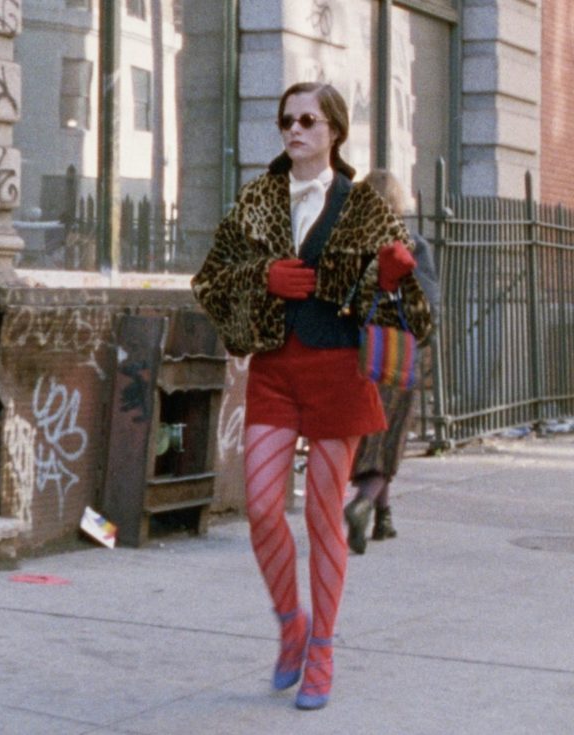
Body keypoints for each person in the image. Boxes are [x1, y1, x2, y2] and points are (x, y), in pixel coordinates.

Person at [191, 82, 432, 710]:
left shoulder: (364, 207)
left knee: (326, 516)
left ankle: (321, 649)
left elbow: (416, 309)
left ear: (334, 131)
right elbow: (209, 281)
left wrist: (387, 278)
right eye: (286, 121)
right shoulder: (258, 199)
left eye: (307, 121)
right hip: (274, 370)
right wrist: (261, 275)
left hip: (336, 372)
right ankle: (290, 623)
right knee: (264, 505)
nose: (294, 131)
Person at [344, 169, 441, 555]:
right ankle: (364, 503)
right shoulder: (413, 246)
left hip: (358, 353)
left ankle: (383, 519)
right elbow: (429, 307)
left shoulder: (351, 244)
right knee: (391, 436)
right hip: (399, 355)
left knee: (369, 436)